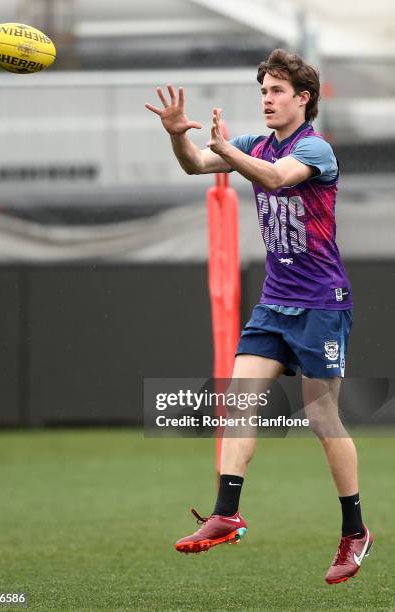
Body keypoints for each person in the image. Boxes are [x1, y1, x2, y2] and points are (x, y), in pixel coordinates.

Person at [145, 49, 373, 584]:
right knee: (238, 400)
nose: (267, 100)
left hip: (321, 302)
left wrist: (227, 148)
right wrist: (180, 134)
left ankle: (354, 531)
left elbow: (274, 179)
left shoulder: (315, 149)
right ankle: (226, 512)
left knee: (321, 418)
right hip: (274, 303)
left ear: (303, 98)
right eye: (263, 91)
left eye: (277, 91)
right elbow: (197, 165)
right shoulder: (253, 145)